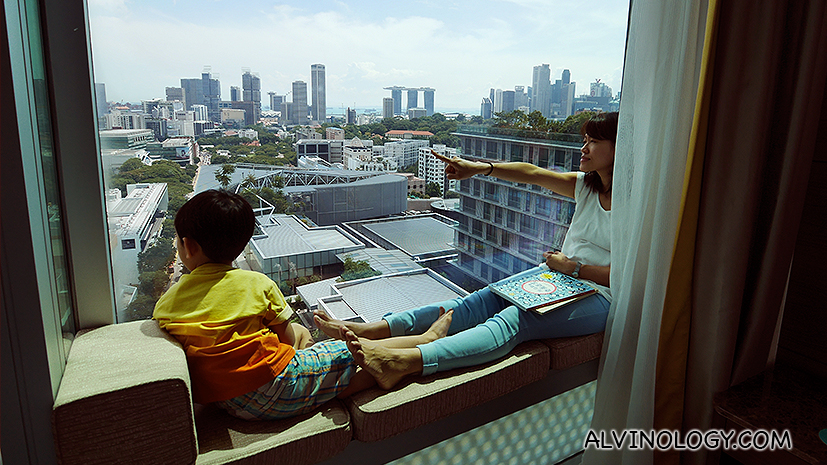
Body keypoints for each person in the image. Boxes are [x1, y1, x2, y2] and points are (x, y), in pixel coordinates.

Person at [314, 111, 618, 390]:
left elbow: (631, 275)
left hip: (599, 295)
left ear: (620, 147)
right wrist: (479, 168)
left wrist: (574, 268)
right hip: (559, 278)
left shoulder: (637, 208)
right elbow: (533, 173)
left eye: (594, 142)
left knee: (516, 319)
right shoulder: (586, 187)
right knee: (477, 301)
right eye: (584, 141)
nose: (583, 149)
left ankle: (404, 363)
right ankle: (373, 330)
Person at [153, 190, 453, 420]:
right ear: (242, 244)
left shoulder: (169, 301)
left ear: (188, 247)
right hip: (269, 391)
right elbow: (286, 341)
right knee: (342, 352)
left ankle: (397, 353)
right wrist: (299, 340)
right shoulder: (256, 284)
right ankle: (424, 342)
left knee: (318, 349)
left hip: (225, 400)